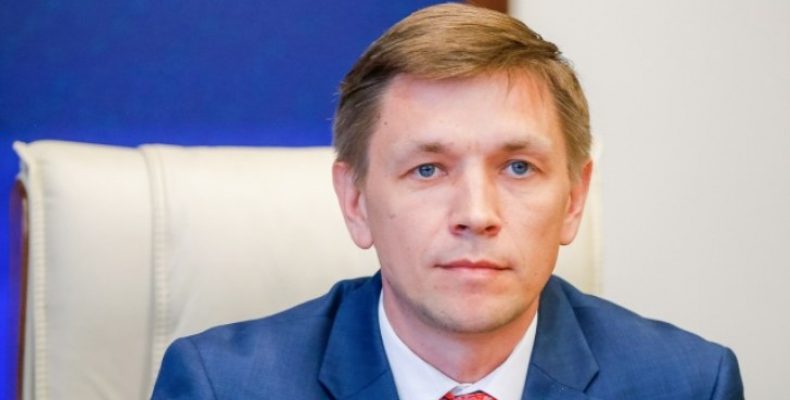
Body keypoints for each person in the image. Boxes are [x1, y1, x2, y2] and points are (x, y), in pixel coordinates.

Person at [152, 3, 744, 399]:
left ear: (573, 199)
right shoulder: (222, 386)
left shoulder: (689, 384)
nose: (477, 214)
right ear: (355, 202)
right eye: (428, 169)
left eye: (518, 167)